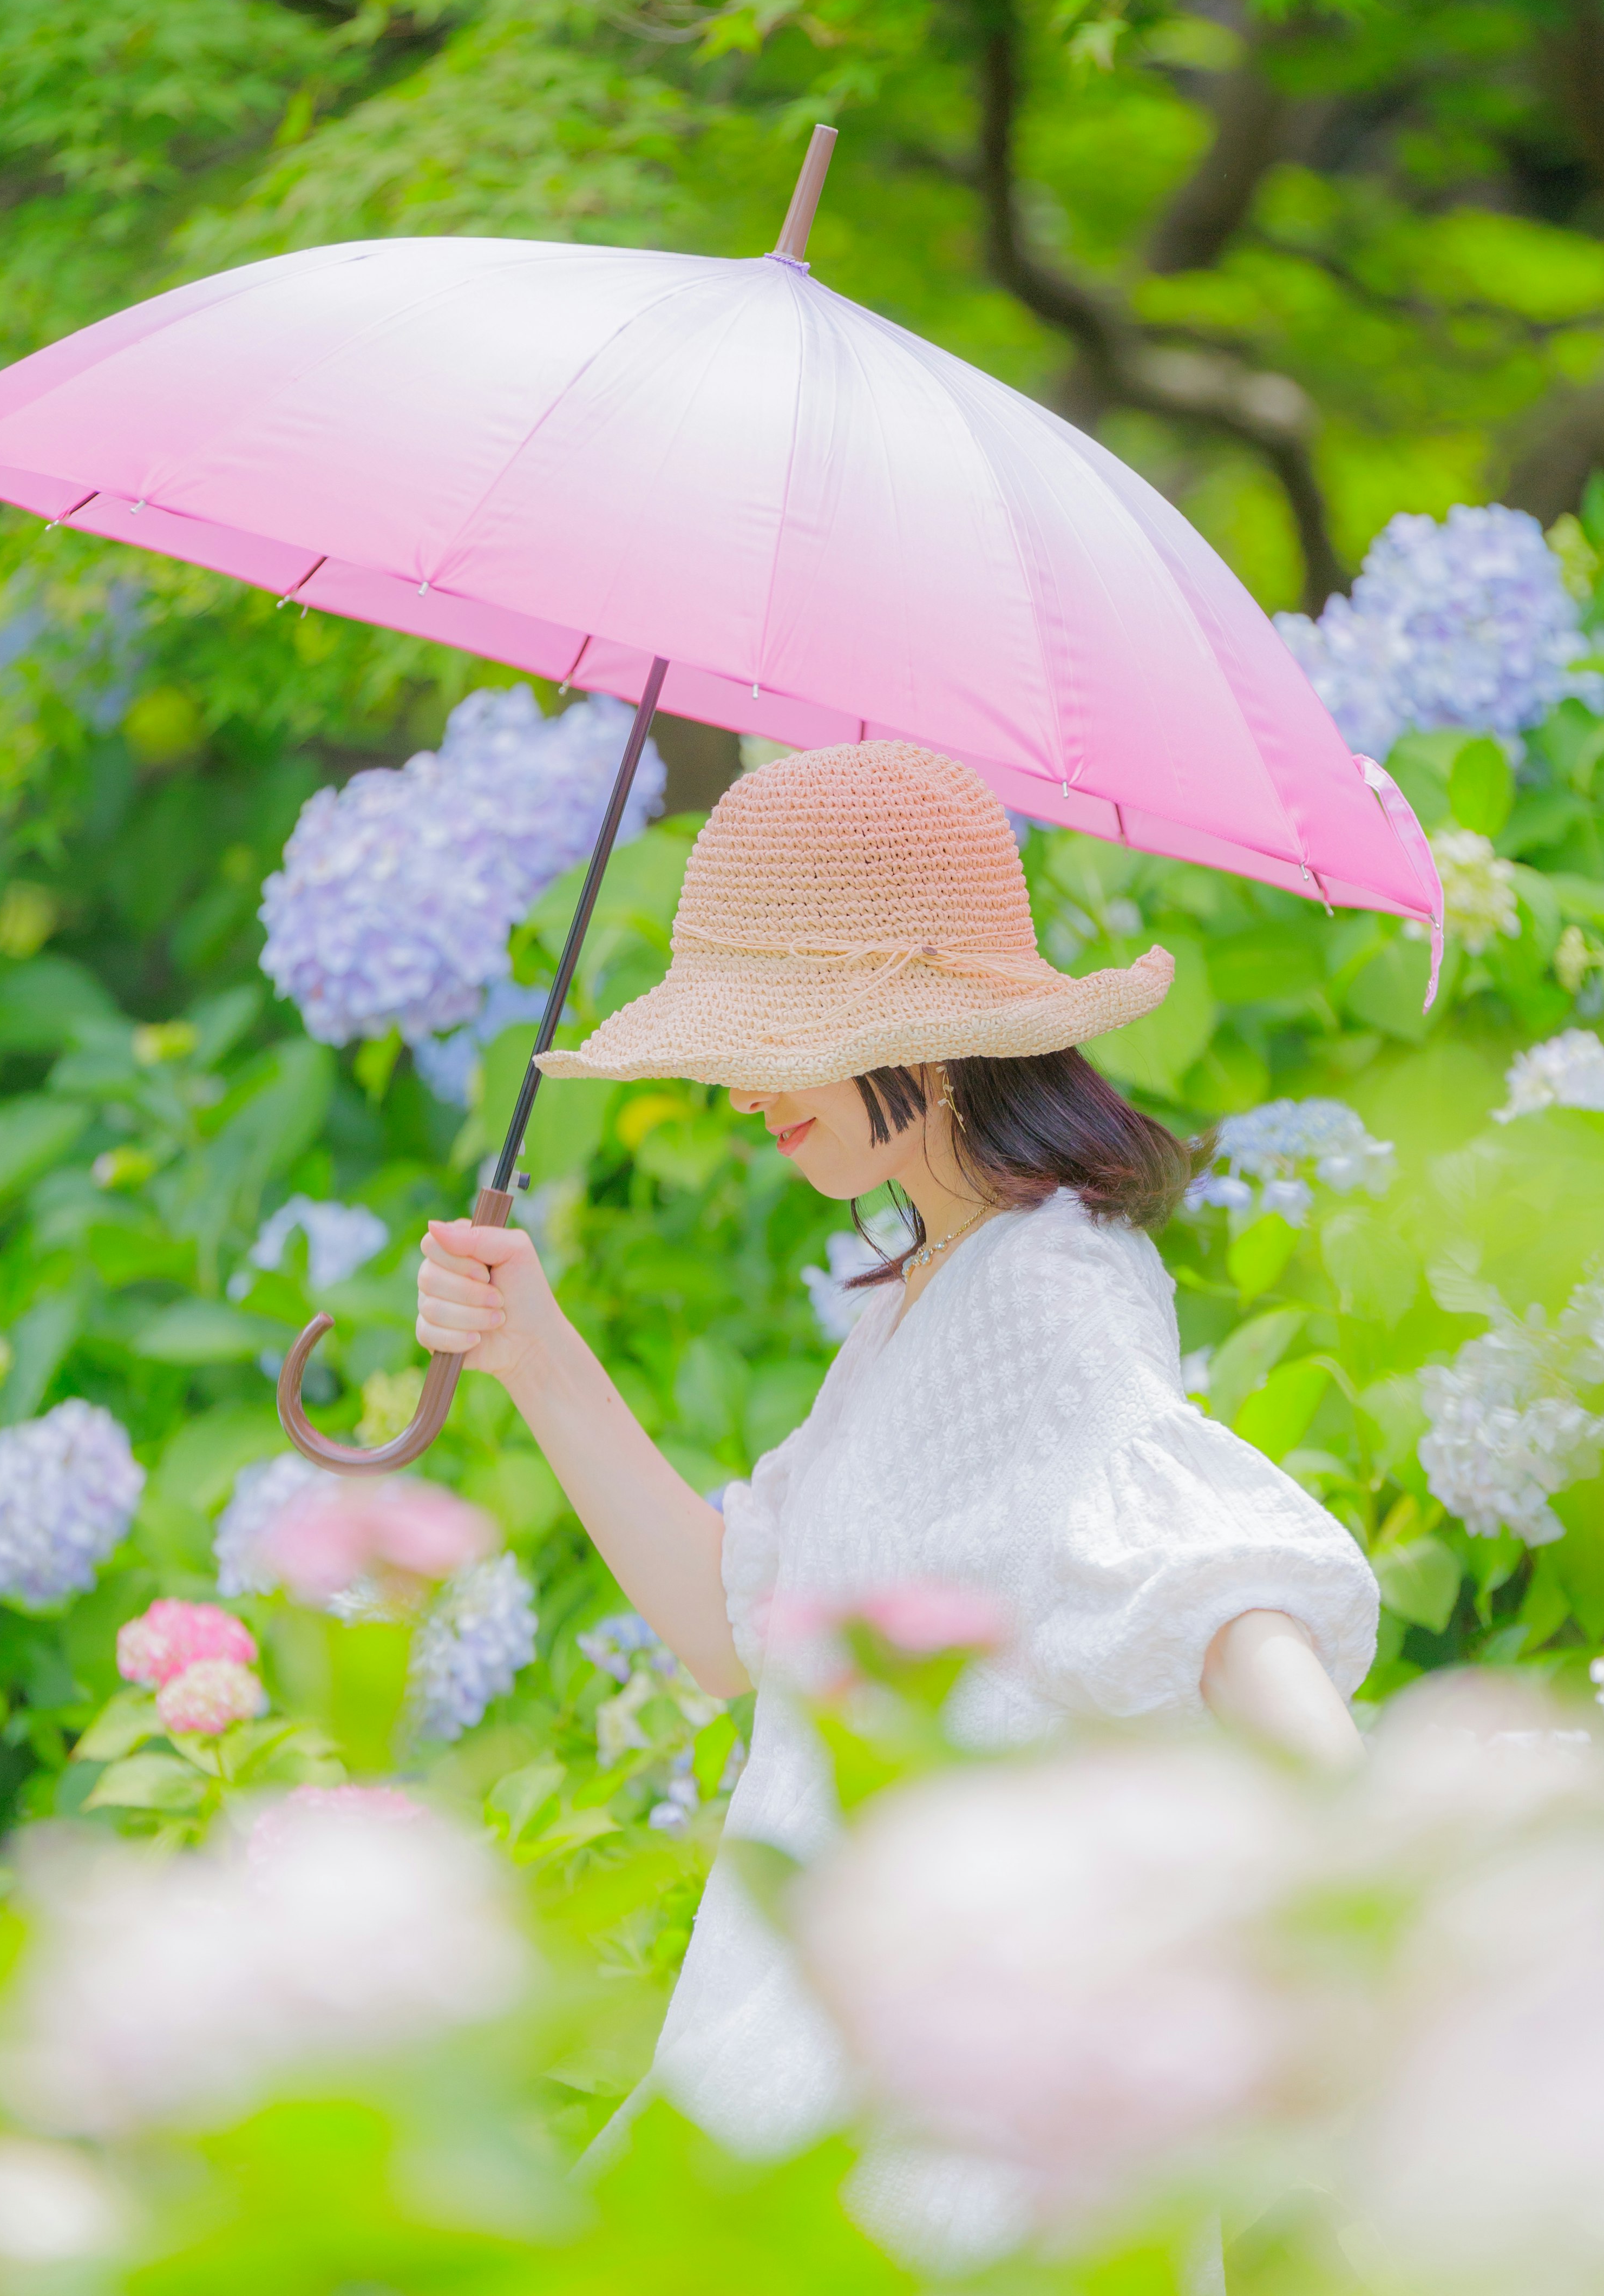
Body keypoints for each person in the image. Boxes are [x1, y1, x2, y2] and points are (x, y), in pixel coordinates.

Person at [416, 739, 1377, 2189]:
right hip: (815, 2075)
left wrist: (1383, 1851)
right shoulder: (934, 1287)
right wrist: (532, 1349)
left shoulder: (1045, 1297)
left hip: (943, 2134)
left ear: (922, 1042)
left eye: (775, 1039)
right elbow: (735, 1636)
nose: (744, 1091)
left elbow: (1213, 1585)